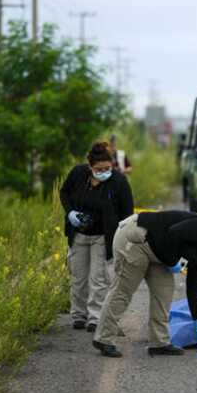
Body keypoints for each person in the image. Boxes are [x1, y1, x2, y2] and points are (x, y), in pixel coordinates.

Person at [93, 211, 197, 357]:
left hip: (159, 250)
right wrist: (173, 262)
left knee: (164, 290)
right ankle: (103, 338)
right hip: (136, 237)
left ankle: (159, 343)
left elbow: (193, 284)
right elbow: (173, 233)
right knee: (123, 290)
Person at [60, 141, 134, 332]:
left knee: (99, 279)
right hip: (79, 234)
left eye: (107, 168)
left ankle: (95, 317)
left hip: (104, 237)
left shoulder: (118, 182)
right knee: (78, 277)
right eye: (99, 169)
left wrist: (122, 238)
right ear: (89, 166)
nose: (103, 172)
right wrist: (70, 213)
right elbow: (64, 192)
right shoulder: (77, 174)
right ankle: (78, 315)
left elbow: (127, 212)